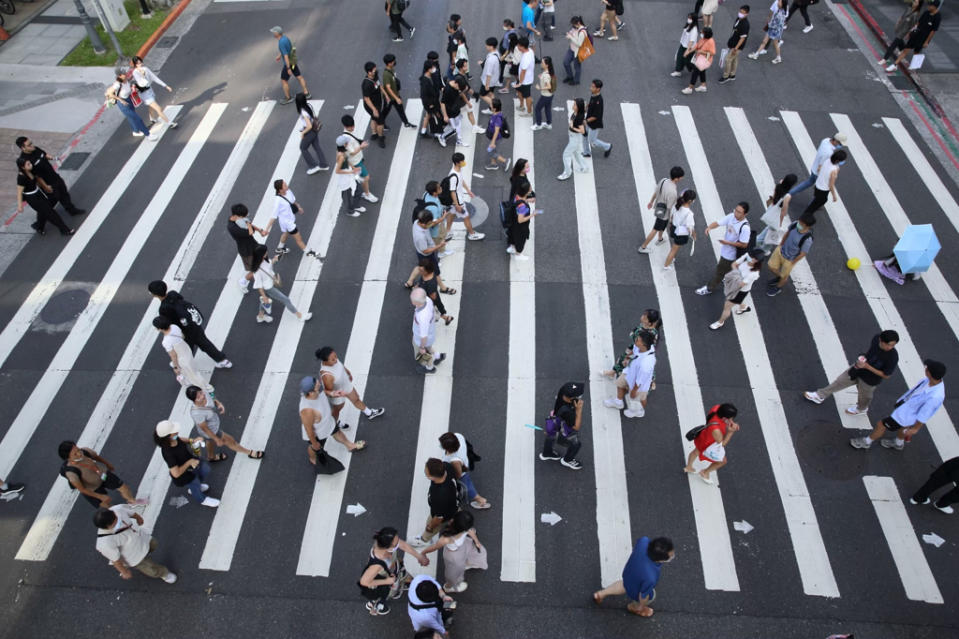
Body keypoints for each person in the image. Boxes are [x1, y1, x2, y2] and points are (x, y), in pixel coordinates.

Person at [850, 360, 946, 451]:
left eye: (927, 368)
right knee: (903, 428)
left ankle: (867, 442)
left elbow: (925, 414)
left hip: (906, 415)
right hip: (905, 408)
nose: (925, 369)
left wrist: (915, 429)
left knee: (881, 425)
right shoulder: (928, 380)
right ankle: (898, 443)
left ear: (929, 373)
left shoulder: (935, 396)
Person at [804, 330, 900, 415]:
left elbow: (886, 375)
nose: (890, 347)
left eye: (893, 345)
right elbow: (871, 351)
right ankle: (820, 395)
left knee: (864, 397)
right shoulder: (875, 339)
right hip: (858, 368)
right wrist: (864, 357)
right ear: (880, 340)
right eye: (888, 344)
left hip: (870, 380)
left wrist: (867, 366)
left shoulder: (893, 357)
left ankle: (861, 409)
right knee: (840, 381)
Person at [149, 280, 231, 368]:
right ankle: (223, 360)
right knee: (204, 343)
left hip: (184, 330)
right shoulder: (173, 294)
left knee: (185, 348)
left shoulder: (163, 308)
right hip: (193, 324)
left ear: (155, 295)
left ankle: (183, 364)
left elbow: (169, 322)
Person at [593, 536, 675, 617]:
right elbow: (643, 596)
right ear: (660, 559)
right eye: (670, 557)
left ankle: (601, 594)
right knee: (652, 596)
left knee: (624, 584)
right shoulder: (651, 578)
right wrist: (641, 607)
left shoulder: (644, 541)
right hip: (637, 587)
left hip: (629, 573)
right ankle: (634, 607)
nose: (672, 556)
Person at [94, 505, 177, 583]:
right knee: (152, 570)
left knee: (153, 544)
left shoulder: (117, 510)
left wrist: (138, 518)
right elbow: (115, 560)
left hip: (142, 540)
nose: (118, 520)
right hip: (133, 557)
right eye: (114, 522)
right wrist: (124, 571)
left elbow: (131, 513)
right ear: (106, 527)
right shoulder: (105, 542)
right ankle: (164, 573)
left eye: (115, 517)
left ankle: (143, 558)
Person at [358, 526, 429, 616]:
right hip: (385, 581)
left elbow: (402, 544)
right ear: (387, 547)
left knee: (399, 580)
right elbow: (364, 582)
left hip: (394, 570)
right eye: (395, 544)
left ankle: (400, 585)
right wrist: (387, 581)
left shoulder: (383, 542)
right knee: (386, 594)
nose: (398, 543)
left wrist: (419, 557)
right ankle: (377, 604)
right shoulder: (376, 565)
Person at [300, 376, 367, 467]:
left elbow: (323, 392)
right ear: (311, 393)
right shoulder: (307, 410)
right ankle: (313, 459)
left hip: (328, 423)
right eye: (316, 384)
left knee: (338, 433)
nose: (319, 383)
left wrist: (332, 393)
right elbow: (309, 430)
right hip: (318, 434)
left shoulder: (316, 392)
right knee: (314, 448)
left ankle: (350, 446)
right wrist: (315, 443)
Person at [185, 385, 264, 461]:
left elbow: (212, 397)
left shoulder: (205, 393)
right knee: (231, 441)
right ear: (194, 400)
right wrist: (217, 439)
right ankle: (250, 452)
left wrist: (218, 403)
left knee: (209, 440)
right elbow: (205, 428)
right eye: (198, 397)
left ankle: (211, 457)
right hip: (213, 430)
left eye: (201, 393)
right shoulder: (196, 413)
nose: (202, 396)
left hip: (212, 427)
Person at [316, 346, 385, 430]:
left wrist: (348, 373)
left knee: (356, 399)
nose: (336, 359)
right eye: (333, 359)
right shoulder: (327, 376)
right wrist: (335, 394)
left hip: (345, 385)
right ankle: (334, 424)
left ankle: (369, 413)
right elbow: (327, 391)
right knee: (337, 410)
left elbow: (340, 366)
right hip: (338, 394)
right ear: (325, 361)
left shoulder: (333, 360)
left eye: (335, 356)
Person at [154, 420, 220, 507]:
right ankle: (202, 499)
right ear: (167, 436)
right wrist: (189, 462)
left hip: (192, 462)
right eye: (174, 432)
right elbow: (176, 473)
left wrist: (193, 440)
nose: (177, 432)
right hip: (185, 474)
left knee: (205, 470)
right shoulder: (168, 453)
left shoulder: (175, 438)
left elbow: (181, 439)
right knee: (194, 483)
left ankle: (196, 487)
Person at [16, 136, 85, 217]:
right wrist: (45, 186)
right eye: (29, 145)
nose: (32, 145)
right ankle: (40, 223)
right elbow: (36, 177)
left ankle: (71, 210)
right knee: (51, 201)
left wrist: (54, 158)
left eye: (31, 143)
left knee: (64, 193)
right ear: (23, 148)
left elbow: (44, 155)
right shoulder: (26, 161)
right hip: (47, 182)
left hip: (54, 176)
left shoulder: (36, 149)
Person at [58, 441, 141, 508]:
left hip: (102, 474)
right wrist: (100, 496)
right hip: (92, 488)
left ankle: (132, 501)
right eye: (75, 454)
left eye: (78, 450)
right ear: (68, 458)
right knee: (107, 505)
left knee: (123, 487)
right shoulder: (71, 473)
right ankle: (116, 517)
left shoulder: (85, 451)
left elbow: (96, 457)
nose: (79, 454)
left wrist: (107, 464)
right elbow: (82, 489)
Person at [421, 510, 488, 593]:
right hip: (452, 555)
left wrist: (476, 541)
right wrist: (423, 553)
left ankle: (466, 564)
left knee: (467, 557)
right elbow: (434, 547)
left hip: (462, 546)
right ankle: (448, 586)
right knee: (453, 573)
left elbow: (470, 531)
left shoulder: (462, 526)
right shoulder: (446, 539)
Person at [694, 202, 751, 295]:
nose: (736, 213)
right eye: (736, 210)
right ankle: (728, 276)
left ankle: (709, 288)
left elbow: (744, 244)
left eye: (739, 212)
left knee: (719, 272)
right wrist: (710, 227)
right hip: (726, 250)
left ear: (745, 214)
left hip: (731, 254)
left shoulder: (745, 228)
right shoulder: (732, 216)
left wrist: (728, 243)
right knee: (727, 268)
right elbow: (719, 222)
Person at [250, 245, 312, 323]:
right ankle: (300, 316)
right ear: (261, 255)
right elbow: (259, 286)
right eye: (265, 253)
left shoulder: (264, 260)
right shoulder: (257, 270)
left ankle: (260, 316)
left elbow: (269, 266)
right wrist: (264, 296)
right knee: (286, 300)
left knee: (264, 301)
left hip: (270, 283)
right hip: (268, 288)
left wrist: (274, 260)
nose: (267, 253)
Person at [153, 315, 215, 392]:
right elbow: (182, 336)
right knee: (189, 370)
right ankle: (194, 382)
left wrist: (176, 367)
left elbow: (173, 355)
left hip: (182, 358)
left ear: (160, 329)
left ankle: (206, 387)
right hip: (186, 349)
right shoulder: (174, 326)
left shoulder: (166, 341)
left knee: (193, 374)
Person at [604, 330, 656, 418]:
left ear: (643, 344)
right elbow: (634, 351)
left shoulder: (646, 364)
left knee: (640, 398)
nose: (635, 340)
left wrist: (634, 390)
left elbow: (640, 380)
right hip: (630, 372)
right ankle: (618, 402)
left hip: (640, 384)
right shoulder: (639, 346)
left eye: (638, 340)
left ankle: (639, 411)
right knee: (620, 384)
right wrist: (628, 357)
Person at [683, 403, 740, 484]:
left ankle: (689, 467)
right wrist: (730, 432)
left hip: (703, 437)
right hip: (709, 443)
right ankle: (705, 472)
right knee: (722, 461)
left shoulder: (716, 408)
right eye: (731, 418)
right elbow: (722, 444)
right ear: (725, 417)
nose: (732, 420)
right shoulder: (716, 430)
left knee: (696, 451)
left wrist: (729, 422)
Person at [15, 157, 73, 236]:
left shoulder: (31, 170)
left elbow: (38, 179)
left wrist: (45, 187)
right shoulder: (21, 178)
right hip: (32, 198)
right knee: (51, 213)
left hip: (38, 193)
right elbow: (19, 192)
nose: (31, 165)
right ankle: (64, 230)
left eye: (30, 163)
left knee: (44, 211)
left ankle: (39, 226)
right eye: (28, 164)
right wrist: (20, 206)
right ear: (22, 167)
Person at [262, 179, 319, 258]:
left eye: (285, 184)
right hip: (287, 222)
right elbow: (273, 216)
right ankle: (308, 251)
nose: (287, 185)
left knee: (286, 233)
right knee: (299, 238)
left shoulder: (288, 191)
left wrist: (298, 207)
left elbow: (292, 201)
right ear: (280, 190)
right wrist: (266, 229)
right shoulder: (278, 201)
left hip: (291, 218)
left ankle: (280, 248)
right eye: (284, 185)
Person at [709, 249, 764, 329]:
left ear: (758, 262)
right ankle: (743, 307)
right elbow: (734, 264)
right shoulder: (746, 258)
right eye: (751, 256)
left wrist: (735, 273)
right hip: (734, 285)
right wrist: (737, 274)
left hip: (740, 291)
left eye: (755, 259)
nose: (751, 259)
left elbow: (741, 284)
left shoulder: (754, 274)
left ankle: (720, 322)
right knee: (738, 301)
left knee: (727, 307)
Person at [411, 458, 461, 545]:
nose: (425, 472)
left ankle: (424, 540)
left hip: (445, 514)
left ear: (433, 477)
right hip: (453, 505)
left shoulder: (440, 496)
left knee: (431, 526)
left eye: (426, 472)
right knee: (457, 519)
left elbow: (438, 518)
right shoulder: (447, 466)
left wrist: (430, 527)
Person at [603, 310, 663, 379]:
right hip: (636, 348)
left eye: (645, 318)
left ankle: (617, 376)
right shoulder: (647, 327)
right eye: (644, 315)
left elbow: (641, 346)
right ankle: (613, 373)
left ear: (649, 323)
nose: (642, 317)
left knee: (625, 362)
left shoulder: (648, 334)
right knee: (623, 360)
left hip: (638, 352)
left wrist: (630, 355)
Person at [765, 215, 815, 297]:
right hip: (781, 251)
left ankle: (778, 287)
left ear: (807, 226)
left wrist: (793, 261)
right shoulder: (795, 224)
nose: (799, 223)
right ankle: (779, 277)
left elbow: (803, 253)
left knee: (784, 276)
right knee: (771, 266)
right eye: (800, 221)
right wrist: (780, 245)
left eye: (802, 223)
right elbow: (787, 233)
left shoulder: (807, 239)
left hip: (790, 259)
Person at [540, 381, 585, 470]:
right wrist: (579, 410)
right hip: (562, 428)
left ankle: (547, 453)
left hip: (553, 422)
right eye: (579, 397)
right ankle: (567, 460)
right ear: (570, 399)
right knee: (576, 444)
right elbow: (576, 427)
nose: (580, 398)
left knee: (551, 436)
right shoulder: (568, 412)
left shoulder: (562, 394)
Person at [438, 432, 489, 509]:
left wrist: (453, 480)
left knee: (467, 487)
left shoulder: (454, 460)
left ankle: (481, 501)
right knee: (468, 485)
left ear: (449, 448)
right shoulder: (458, 436)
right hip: (464, 463)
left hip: (462, 474)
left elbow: (458, 474)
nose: (440, 445)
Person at [638, 166, 684, 252]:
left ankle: (660, 239)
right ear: (677, 179)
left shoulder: (664, 180)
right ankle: (643, 247)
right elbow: (670, 208)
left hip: (659, 207)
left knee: (662, 226)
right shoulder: (673, 192)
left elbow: (656, 191)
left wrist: (651, 202)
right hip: (664, 213)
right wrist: (672, 220)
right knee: (655, 229)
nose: (682, 178)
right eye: (681, 177)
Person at [887, 0, 941, 72]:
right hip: (916, 34)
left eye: (930, 5)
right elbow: (918, 23)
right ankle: (895, 65)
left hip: (923, 38)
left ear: (934, 7)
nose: (928, 6)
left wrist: (926, 42)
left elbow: (933, 31)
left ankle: (913, 68)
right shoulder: (926, 12)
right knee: (906, 50)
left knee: (916, 52)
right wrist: (911, 32)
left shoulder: (938, 17)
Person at [789, 132, 846, 197]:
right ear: (836, 141)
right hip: (818, 173)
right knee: (819, 193)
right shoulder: (828, 152)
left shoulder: (826, 140)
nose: (840, 146)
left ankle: (790, 193)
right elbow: (820, 167)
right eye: (840, 144)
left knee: (808, 182)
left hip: (814, 168)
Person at [104, 70, 157, 140]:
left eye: (125, 73)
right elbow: (110, 93)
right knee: (137, 119)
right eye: (123, 74)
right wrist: (121, 100)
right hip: (123, 104)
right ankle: (148, 135)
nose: (125, 75)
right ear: (119, 76)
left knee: (131, 117)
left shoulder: (127, 80)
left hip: (129, 100)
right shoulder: (117, 84)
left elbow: (129, 88)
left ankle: (136, 131)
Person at [446, 152, 486, 240]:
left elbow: (461, 180)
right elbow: (452, 191)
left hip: (456, 200)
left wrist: (468, 190)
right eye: (462, 161)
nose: (464, 162)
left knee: (452, 214)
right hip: (457, 200)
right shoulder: (453, 176)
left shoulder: (458, 169)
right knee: (466, 217)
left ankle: (447, 232)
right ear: (457, 163)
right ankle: (472, 234)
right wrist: (457, 205)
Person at [129, 55, 177, 129]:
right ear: (135, 65)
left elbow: (155, 78)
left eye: (140, 62)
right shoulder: (135, 72)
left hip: (150, 91)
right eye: (137, 63)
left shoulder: (146, 69)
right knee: (158, 108)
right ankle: (170, 123)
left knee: (151, 106)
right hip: (144, 94)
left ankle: (152, 119)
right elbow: (142, 83)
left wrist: (165, 86)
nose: (140, 64)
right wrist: (142, 75)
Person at [342, 115, 380, 204]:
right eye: (349, 127)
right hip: (355, 162)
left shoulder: (349, 133)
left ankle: (359, 183)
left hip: (358, 158)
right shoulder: (345, 139)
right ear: (344, 126)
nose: (352, 128)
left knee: (363, 177)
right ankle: (366, 194)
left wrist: (360, 145)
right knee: (366, 177)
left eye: (352, 126)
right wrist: (361, 147)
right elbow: (351, 153)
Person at [228, 203, 264, 294]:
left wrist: (260, 230)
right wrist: (248, 223)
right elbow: (250, 232)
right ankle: (243, 281)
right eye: (244, 215)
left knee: (261, 262)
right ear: (237, 215)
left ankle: (256, 278)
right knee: (255, 269)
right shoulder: (233, 228)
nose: (246, 216)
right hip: (246, 250)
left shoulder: (239, 218)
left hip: (253, 244)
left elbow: (250, 223)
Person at [757, 174, 796, 255]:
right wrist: (780, 223)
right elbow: (783, 212)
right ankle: (763, 247)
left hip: (772, 208)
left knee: (769, 228)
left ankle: (760, 242)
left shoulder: (779, 184)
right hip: (777, 214)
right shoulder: (787, 196)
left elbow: (774, 196)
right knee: (772, 233)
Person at [270, 26, 310, 105]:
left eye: (274, 32)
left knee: (284, 80)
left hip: (288, 64)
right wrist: (279, 55)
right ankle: (306, 93)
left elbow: (286, 55)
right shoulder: (285, 38)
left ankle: (288, 98)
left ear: (277, 33)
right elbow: (288, 49)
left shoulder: (281, 42)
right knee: (299, 76)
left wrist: (288, 68)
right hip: (293, 61)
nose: (273, 34)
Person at [411, 287, 447, 374]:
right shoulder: (427, 300)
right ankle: (437, 356)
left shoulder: (422, 316)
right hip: (431, 334)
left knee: (421, 354)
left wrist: (421, 347)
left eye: (412, 301)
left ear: (417, 303)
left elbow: (423, 336)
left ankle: (429, 367)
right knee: (429, 347)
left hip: (421, 339)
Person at [801, 150, 846, 217]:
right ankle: (804, 217)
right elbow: (831, 184)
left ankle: (808, 213)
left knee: (817, 200)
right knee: (819, 202)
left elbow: (820, 169)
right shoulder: (834, 170)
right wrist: (834, 196)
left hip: (818, 185)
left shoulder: (827, 160)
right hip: (823, 189)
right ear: (837, 160)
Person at [880, 0, 922, 67]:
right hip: (900, 27)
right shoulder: (909, 8)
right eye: (914, 1)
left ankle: (885, 58)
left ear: (918, 5)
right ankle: (903, 49)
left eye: (916, 2)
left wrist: (909, 33)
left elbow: (914, 25)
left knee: (893, 44)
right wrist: (898, 22)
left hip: (904, 31)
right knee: (899, 41)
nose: (914, 3)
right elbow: (902, 16)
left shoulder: (916, 14)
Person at [294, 92, 329, 175]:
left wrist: (303, 133)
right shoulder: (308, 106)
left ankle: (313, 166)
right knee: (317, 146)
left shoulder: (303, 112)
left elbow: (309, 126)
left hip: (310, 131)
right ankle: (324, 164)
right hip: (315, 129)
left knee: (303, 148)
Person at [663, 189, 698, 270]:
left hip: (673, 227)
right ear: (690, 201)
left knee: (675, 247)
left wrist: (671, 224)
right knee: (674, 249)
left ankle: (671, 259)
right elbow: (690, 227)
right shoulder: (689, 214)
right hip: (680, 233)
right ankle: (666, 265)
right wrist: (694, 235)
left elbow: (671, 216)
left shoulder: (677, 205)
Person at [382, 54, 416, 131]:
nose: (394, 62)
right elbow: (388, 87)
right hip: (390, 98)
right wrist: (396, 98)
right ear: (389, 63)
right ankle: (381, 123)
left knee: (400, 109)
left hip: (395, 95)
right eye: (393, 61)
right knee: (385, 111)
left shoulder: (392, 69)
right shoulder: (386, 74)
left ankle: (406, 122)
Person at [416, 259, 454, 326]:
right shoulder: (426, 274)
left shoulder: (430, 284)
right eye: (419, 269)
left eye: (421, 270)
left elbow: (434, 298)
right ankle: (446, 318)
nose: (419, 271)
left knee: (429, 317)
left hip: (428, 303)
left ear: (427, 270)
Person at [718, 6, 750, 84]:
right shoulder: (738, 19)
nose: (740, 13)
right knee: (734, 59)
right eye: (740, 11)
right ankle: (732, 75)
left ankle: (726, 76)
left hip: (737, 46)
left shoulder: (745, 24)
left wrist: (736, 48)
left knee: (728, 59)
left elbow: (742, 38)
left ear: (747, 14)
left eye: (743, 13)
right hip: (733, 43)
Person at [557, 97, 588, 180]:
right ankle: (584, 167)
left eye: (574, 104)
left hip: (575, 138)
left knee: (566, 155)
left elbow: (582, 131)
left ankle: (567, 173)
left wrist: (572, 127)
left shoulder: (579, 117)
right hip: (573, 137)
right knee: (577, 153)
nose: (573, 105)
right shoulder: (576, 113)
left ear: (578, 107)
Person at [419, 58, 447, 147]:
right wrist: (429, 105)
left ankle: (423, 131)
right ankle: (439, 134)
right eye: (433, 67)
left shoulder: (431, 76)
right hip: (431, 104)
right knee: (436, 118)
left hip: (434, 101)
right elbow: (423, 95)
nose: (434, 69)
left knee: (430, 115)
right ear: (428, 69)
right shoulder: (424, 81)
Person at [582, 79, 612, 158]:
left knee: (592, 140)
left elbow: (596, 116)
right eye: (591, 86)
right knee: (584, 135)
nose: (590, 88)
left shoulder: (599, 101)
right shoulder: (594, 94)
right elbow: (591, 102)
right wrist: (587, 106)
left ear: (598, 89)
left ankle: (607, 146)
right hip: (589, 121)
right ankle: (586, 152)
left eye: (593, 87)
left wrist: (586, 120)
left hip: (594, 124)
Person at [507, 178, 535, 261]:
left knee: (512, 235)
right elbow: (521, 220)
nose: (531, 190)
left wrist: (526, 200)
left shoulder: (517, 196)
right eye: (530, 190)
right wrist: (533, 215)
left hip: (512, 221)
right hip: (520, 226)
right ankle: (518, 254)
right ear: (526, 193)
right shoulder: (523, 207)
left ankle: (511, 247)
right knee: (520, 240)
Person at [362, 61, 388, 148]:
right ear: (369, 72)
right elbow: (366, 99)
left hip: (377, 103)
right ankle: (380, 137)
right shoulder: (366, 84)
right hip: (371, 106)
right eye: (374, 70)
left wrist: (386, 95)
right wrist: (374, 110)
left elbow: (379, 85)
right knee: (380, 122)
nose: (375, 71)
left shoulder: (375, 77)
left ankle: (374, 133)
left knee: (373, 118)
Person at [682, 27, 715, 94]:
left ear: (706, 34)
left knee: (695, 73)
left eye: (702, 32)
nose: (701, 33)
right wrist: (689, 52)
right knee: (702, 72)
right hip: (700, 58)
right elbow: (697, 46)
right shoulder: (703, 39)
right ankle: (703, 86)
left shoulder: (711, 42)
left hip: (705, 60)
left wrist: (702, 52)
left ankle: (690, 88)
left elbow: (712, 53)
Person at [484, 98, 512, 171]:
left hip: (496, 138)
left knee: (490, 151)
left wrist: (493, 142)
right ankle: (494, 164)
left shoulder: (498, 119)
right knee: (494, 151)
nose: (489, 105)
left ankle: (505, 161)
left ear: (494, 108)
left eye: (491, 104)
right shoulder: (496, 113)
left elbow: (496, 131)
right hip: (493, 136)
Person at [531, 57, 557, 131]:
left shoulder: (546, 75)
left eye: (542, 63)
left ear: (547, 65)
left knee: (537, 109)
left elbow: (549, 86)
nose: (541, 64)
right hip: (550, 95)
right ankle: (549, 124)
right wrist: (541, 76)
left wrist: (540, 88)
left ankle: (538, 124)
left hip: (545, 96)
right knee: (547, 109)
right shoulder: (548, 72)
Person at [478, 37, 503, 112]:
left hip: (488, 81)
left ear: (491, 46)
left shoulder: (491, 59)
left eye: (487, 45)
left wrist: (487, 85)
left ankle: (494, 107)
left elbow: (489, 73)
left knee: (482, 95)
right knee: (491, 93)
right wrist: (483, 63)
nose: (486, 46)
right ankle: (491, 107)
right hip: (494, 79)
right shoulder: (496, 53)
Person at [513, 36, 536, 116]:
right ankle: (522, 105)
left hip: (525, 81)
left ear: (522, 46)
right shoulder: (530, 51)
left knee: (527, 96)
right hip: (523, 79)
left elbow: (523, 71)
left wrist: (520, 82)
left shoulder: (526, 58)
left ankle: (529, 112)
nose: (517, 47)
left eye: (518, 45)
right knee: (519, 91)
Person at [562, 16, 588, 86]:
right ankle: (570, 76)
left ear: (578, 23)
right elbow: (572, 32)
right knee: (566, 62)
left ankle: (576, 80)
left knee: (577, 67)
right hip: (571, 49)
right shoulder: (575, 27)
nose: (573, 26)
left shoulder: (582, 32)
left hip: (578, 51)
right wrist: (569, 34)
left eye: (574, 24)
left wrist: (571, 37)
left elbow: (579, 44)